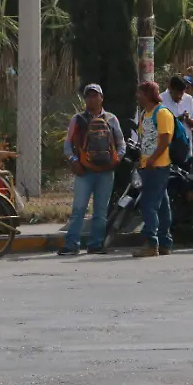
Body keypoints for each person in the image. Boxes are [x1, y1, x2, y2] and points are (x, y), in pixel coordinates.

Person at [59, 83, 125, 256]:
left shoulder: (111, 119)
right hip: (84, 170)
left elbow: (121, 144)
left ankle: (96, 244)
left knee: (100, 211)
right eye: (88, 96)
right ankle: (71, 244)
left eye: (95, 95)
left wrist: (116, 161)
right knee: (79, 208)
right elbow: (67, 145)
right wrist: (74, 161)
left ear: (101, 98)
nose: (91, 99)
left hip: (106, 171)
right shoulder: (77, 120)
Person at [133, 81, 175, 257]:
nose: (137, 96)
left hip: (158, 166)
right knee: (163, 206)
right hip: (147, 165)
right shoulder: (144, 114)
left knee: (149, 204)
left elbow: (165, 140)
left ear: (148, 95)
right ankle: (165, 242)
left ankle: (151, 243)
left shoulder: (162, 113)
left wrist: (152, 159)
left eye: (140, 93)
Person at [161, 76, 193, 152]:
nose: (180, 98)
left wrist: (188, 120)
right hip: (166, 151)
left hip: (185, 150)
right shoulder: (160, 100)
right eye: (177, 94)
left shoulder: (189, 99)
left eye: (182, 94)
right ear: (170, 88)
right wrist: (177, 120)